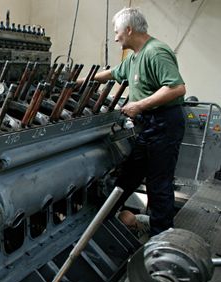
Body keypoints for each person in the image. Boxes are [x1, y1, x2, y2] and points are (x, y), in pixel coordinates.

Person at [78, 7, 186, 235]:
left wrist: (139, 105)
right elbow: (113, 72)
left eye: (117, 32)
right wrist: (79, 81)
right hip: (148, 125)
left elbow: (176, 88)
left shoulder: (156, 52)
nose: (115, 37)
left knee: (158, 184)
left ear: (128, 29)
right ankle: (103, 221)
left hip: (164, 124)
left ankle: (161, 238)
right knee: (129, 176)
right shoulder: (135, 57)